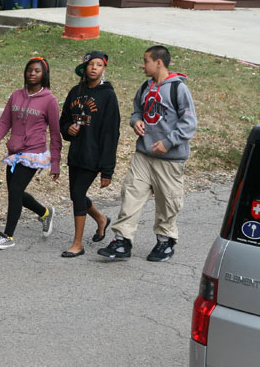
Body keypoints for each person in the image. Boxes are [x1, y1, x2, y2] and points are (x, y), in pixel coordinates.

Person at [98, 45, 197, 262]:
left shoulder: (178, 89)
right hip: (143, 155)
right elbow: (136, 110)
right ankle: (122, 241)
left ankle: (165, 241)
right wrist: (136, 121)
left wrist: (169, 142)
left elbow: (189, 123)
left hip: (169, 160)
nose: (143, 65)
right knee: (131, 194)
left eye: (146, 61)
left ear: (158, 62)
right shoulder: (145, 86)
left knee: (167, 202)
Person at [0, 57, 61, 250]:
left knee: (15, 192)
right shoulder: (16, 96)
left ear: (44, 74)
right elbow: (4, 124)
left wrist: (55, 163)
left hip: (33, 153)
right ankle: (45, 213)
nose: (32, 73)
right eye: (29, 70)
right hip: (14, 152)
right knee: (16, 193)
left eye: (37, 71)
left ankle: (8, 236)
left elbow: (56, 134)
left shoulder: (50, 100)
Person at [59, 51, 120, 258]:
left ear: (104, 69)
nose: (94, 68)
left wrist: (107, 170)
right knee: (76, 194)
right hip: (76, 153)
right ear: (84, 68)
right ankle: (101, 219)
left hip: (94, 156)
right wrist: (68, 129)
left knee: (77, 195)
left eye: (99, 65)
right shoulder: (75, 92)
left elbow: (111, 133)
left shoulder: (108, 96)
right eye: (91, 64)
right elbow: (64, 119)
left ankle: (77, 244)